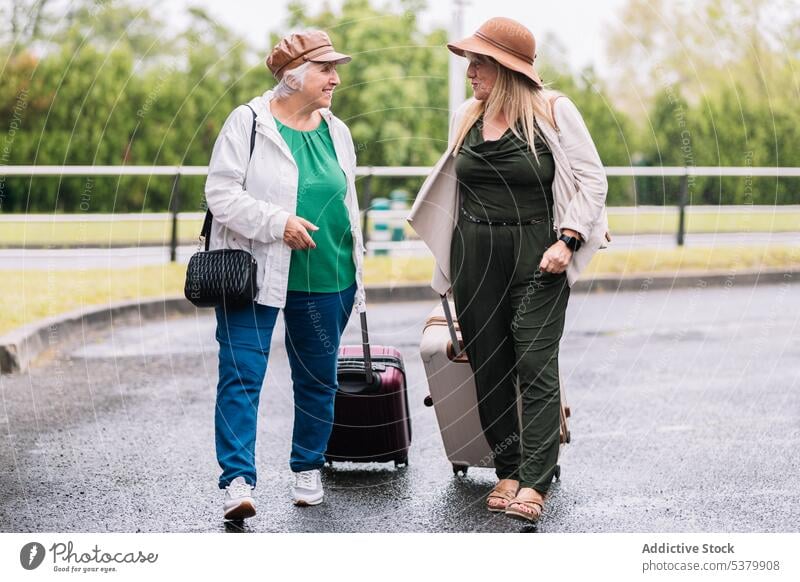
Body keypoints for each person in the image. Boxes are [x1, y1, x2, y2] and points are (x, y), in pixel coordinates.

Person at [408, 17, 609, 523]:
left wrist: (569, 239)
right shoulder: (466, 115)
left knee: (536, 363)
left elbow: (592, 180)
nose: (470, 71)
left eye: (479, 63)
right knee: (490, 364)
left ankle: (537, 479)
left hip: (539, 251)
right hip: (474, 253)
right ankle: (508, 467)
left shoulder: (553, 112)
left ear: (506, 67)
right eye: (471, 62)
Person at [204, 30, 366, 520]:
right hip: (255, 274)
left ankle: (308, 467)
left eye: (335, 68)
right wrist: (279, 223)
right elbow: (221, 193)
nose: (335, 78)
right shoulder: (248, 122)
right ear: (293, 76)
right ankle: (237, 481)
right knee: (240, 376)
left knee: (318, 378)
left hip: (328, 274)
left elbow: (348, 199)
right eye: (325, 69)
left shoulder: (336, 128)